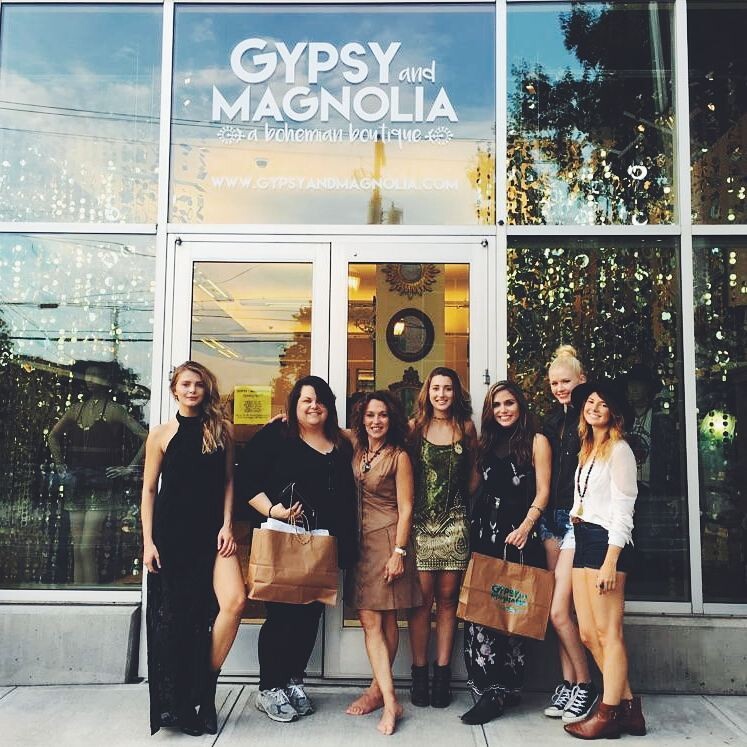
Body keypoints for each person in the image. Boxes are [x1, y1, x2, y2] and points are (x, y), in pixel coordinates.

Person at [239, 375, 358, 723]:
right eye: (306, 400)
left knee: (310, 617)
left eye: (320, 400)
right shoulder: (277, 436)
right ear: (294, 404)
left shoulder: (340, 444)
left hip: (322, 544)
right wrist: (272, 510)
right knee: (281, 618)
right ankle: (269, 688)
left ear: (329, 406)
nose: (313, 406)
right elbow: (246, 478)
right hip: (284, 539)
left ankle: (293, 681)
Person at [142, 361, 245, 736]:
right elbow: (149, 490)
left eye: (198, 384)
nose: (192, 390)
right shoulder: (160, 434)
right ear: (175, 390)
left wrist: (228, 524)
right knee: (180, 621)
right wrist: (148, 542)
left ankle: (206, 686)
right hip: (172, 537)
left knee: (234, 602)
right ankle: (187, 704)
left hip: (214, 535)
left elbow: (230, 482)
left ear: (206, 390)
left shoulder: (221, 429)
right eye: (185, 384)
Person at [461, 380, 551, 725]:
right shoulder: (485, 443)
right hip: (485, 532)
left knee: (510, 610)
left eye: (509, 403)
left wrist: (526, 527)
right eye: (496, 405)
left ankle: (505, 689)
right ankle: (488, 689)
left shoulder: (536, 441)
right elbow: (473, 486)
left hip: (518, 535)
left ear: (520, 406)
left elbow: (543, 491)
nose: (503, 410)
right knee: (482, 611)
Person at [564, 380, 646, 739]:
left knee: (609, 633)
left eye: (602, 403)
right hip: (583, 538)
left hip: (607, 543)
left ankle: (607, 712)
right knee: (587, 633)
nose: (594, 408)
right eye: (590, 402)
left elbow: (625, 511)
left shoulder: (620, 450)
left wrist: (612, 560)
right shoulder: (588, 448)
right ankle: (628, 709)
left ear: (614, 412)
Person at [344, 391, 422, 735]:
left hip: (388, 542)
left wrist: (399, 552)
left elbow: (407, 507)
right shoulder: (358, 447)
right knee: (379, 619)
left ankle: (387, 701)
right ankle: (379, 692)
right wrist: (286, 419)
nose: (376, 421)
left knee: (376, 619)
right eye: (370, 415)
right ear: (362, 419)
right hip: (360, 544)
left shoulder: (399, 457)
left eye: (383, 415)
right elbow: (329, 429)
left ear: (393, 420)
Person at [407, 366, 479, 708]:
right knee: (421, 602)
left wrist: (462, 508)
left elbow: (474, 475)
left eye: (447, 388)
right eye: (436, 388)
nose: (441, 394)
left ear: (456, 393)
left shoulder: (466, 428)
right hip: (421, 526)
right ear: (428, 392)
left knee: (448, 600)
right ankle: (419, 675)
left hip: (455, 524)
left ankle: (442, 678)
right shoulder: (414, 428)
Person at [48, 360, 147, 584]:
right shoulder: (76, 409)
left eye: (96, 376)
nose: (90, 380)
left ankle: (90, 595)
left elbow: (146, 436)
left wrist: (129, 467)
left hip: (101, 482)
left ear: (106, 380)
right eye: (88, 376)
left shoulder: (114, 410)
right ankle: (78, 595)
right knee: (77, 549)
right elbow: (52, 436)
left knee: (86, 547)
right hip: (76, 481)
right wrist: (60, 464)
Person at [539, 346, 597, 723]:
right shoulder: (550, 421)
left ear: (581, 380)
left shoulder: (589, 419)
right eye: (555, 383)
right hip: (551, 520)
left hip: (577, 520)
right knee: (558, 611)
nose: (560, 388)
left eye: (566, 381)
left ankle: (586, 685)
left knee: (563, 610)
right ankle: (568, 683)